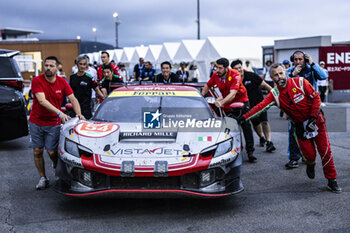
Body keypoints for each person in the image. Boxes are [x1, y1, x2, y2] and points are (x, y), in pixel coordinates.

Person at [240, 63, 341, 193]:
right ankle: (311, 165)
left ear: (285, 73)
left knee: (325, 152)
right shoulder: (274, 94)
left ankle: (332, 181)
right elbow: (260, 107)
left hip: (316, 122)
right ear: (271, 77)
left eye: (281, 73)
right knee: (309, 155)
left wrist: (313, 119)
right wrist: (243, 118)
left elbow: (316, 98)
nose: (280, 77)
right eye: (276, 75)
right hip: (299, 128)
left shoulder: (300, 82)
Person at [29, 56, 85, 190]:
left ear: (57, 68)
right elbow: (42, 101)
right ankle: (43, 178)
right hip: (36, 121)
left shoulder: (62, 82)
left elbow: (73, 99)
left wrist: (79, 114)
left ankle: (56, 167)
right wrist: (60, 113)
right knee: (37, 151)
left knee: (52, 152)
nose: (48, 68)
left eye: (51, 66)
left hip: (52, 123)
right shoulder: (37, 80)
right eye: (46, 65)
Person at [201, 58, 256, 162]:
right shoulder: (216, 74)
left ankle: (250, 152)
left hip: (241, 102)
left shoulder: (235, 74)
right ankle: (235, 150)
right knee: (230, 129)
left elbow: (232, 94)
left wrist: (221, 102)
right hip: (227, 104)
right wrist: (200, 98)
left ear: (226, 68)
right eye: (216, 67)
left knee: (246, 126)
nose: (217, 70)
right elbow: (207, 86)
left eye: (220, 68)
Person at [285, 51, 328, 168]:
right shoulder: (289, 71)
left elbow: (324, 76)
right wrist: (293, 74)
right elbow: (283, 85)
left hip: (312, 107)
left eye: (300, 59)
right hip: (295, 108)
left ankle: (308, 157)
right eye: (295, 60)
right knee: (293, 133)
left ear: (305, 59)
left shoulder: (312, 69)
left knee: (312, 133)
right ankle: (294, 158)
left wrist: (313, 63)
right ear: (292, 60)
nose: (298, 62)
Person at [231, 59, 275, 152]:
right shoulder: (234, 80)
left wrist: (276, 94)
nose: (239, 70)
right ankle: (261, 137)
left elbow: (265, 85)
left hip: (260, 103)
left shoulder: (251, 76)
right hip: (248, 106)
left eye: (240, 67)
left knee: (265, 122)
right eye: (236, 69)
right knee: (256, 124)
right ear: (233, 70)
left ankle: (269, 142)